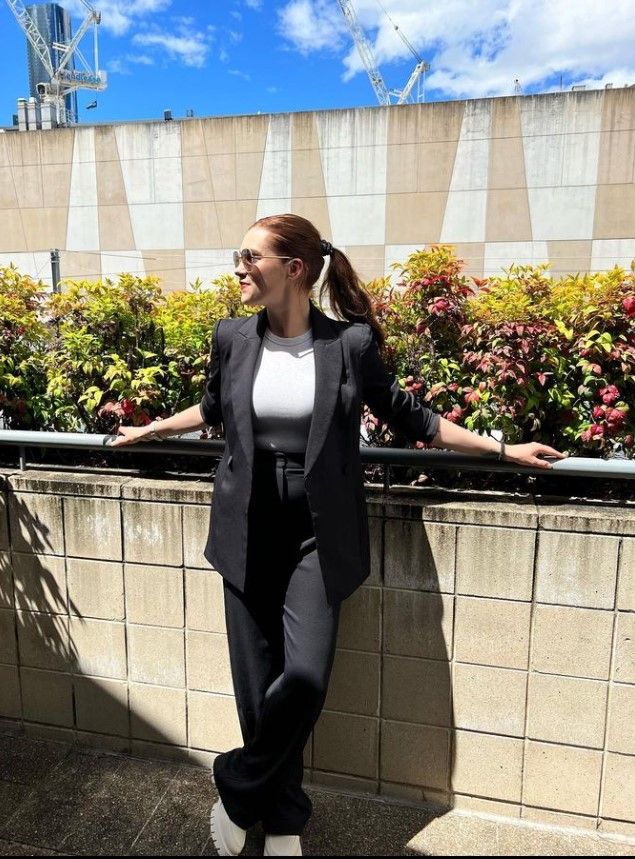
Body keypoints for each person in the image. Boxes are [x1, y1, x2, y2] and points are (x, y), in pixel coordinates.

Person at [109, 214, 565, 856]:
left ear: (293, 268)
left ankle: (236, 784)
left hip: (318, 534)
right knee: (256, 686)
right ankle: (284, 822)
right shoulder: (232, 337)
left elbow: (411, 416)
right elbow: (212, 408)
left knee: (304, 678)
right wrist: (151, 429)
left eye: (251, 257)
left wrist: (502, 448)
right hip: (245, 525)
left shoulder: (347, 344)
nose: (238, 268)